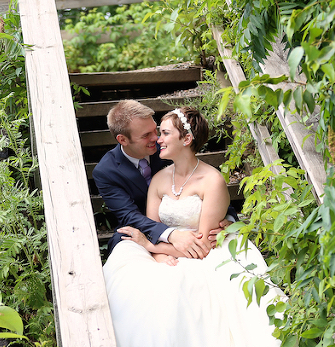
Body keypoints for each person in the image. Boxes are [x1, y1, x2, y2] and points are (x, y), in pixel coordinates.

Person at [102, 106, 310, 347]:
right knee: (129, 271)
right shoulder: (153, 177)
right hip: (168, 246)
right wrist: (154, 246)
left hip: (203, 251)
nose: (157, 138)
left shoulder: (210, 178)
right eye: (152, 134)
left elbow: (200, 243)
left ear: (186, 139)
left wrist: (154, 245)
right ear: (124, 139)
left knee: (195, 293)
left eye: (164, 132)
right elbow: (149, 225)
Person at [93, 100, 235, 257]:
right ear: (123, 140)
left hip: (195, 234)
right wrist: (169, 236)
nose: (156, 139)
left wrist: (227, 220)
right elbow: (129, 216)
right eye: (146, 135)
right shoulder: (106, 171)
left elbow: (206, 188)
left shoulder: (171, 148)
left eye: (157, 131)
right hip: (142, 230)